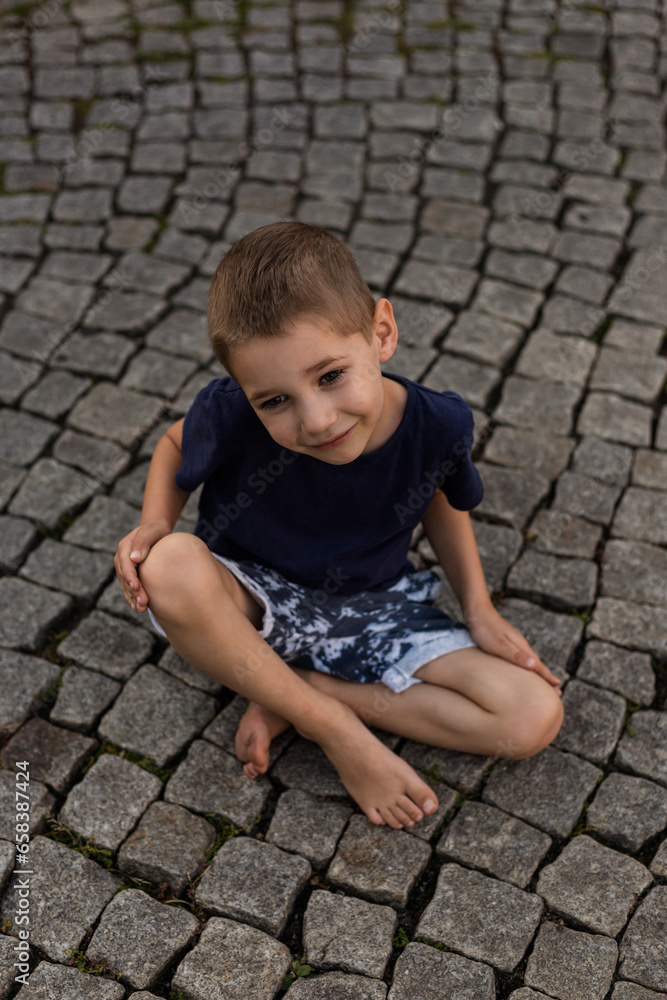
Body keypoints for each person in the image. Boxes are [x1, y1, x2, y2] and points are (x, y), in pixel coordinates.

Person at [115, 221, 564, 831]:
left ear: (381, 332)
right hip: (251, 602)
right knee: (167, 563)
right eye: (275, 400)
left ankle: (298, 692)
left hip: (370, 608)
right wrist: (153, 524)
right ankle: (331, 725)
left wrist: (478, 607)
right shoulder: (230, 411)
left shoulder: (436, 424)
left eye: (330, 376)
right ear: (248, 393)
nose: (317, 419)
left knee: (532, 716)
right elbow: (173, 446)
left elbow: (441, 500)